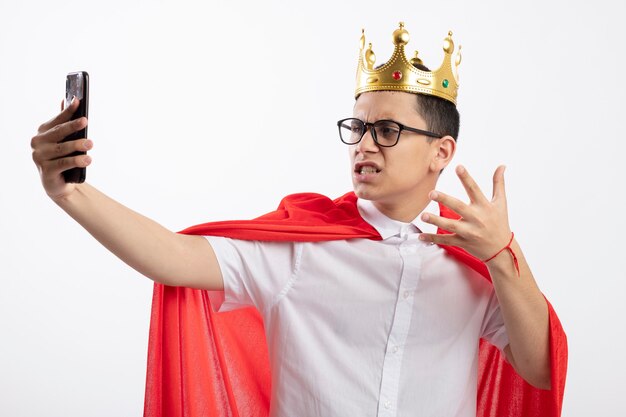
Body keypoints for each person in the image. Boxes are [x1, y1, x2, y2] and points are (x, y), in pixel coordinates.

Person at [31, 23, 566, 417]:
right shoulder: (301, 246)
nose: (363, 144)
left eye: (387, 131)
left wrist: (503, 253)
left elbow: (540, 369)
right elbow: (173, 258)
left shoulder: (475, 265)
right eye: (357, 127)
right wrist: (71, 196)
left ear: (441, 152)